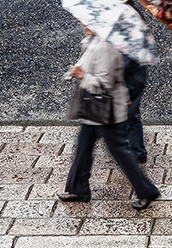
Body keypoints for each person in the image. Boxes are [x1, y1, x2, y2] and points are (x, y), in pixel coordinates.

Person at [60, 27, 161, 209]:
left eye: (87, 22)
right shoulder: (92, 41)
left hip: (107, 110)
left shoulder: (106, 46)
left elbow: (105, 84)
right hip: (94, 108)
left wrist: (82, 75)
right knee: (84, 146)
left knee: (120, 151)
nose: (82, 24)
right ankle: (78, 188)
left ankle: (147, 191)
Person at [103, 0, 153, 164]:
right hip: (123, 72)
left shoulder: (130, 17)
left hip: (130, 74)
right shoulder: (116, 13)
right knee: (125, 111)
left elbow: (129, 53)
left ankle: (138, 152)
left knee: (130, 113)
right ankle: (127, 147)